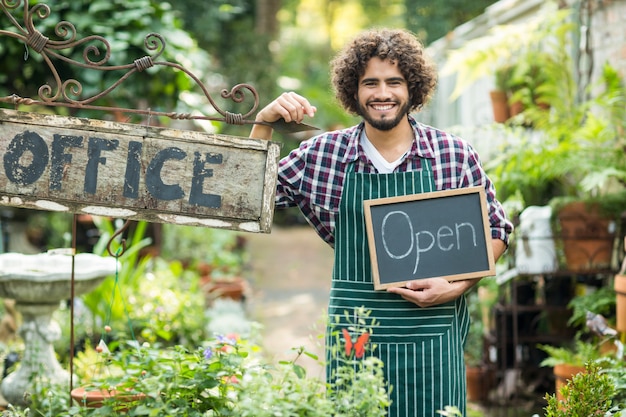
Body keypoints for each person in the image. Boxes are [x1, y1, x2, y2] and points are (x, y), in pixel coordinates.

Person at [250, 28, 513, 417]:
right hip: (355, 336)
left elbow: (496, 230)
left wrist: (455, 287)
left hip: (432, 339)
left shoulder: (451, 154)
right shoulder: (323, 155)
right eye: (369, 82)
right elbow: (248, 196)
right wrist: (263, 123)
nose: (382, 93)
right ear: (352, 91)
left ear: (413, 89)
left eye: (394, 82)